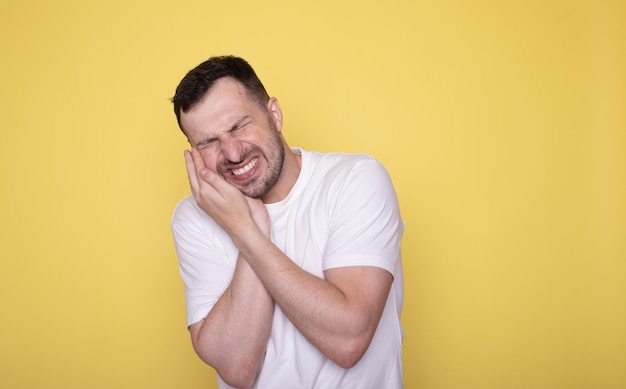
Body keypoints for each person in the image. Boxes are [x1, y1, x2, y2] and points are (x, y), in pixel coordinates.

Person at [170, 55, 405, 389]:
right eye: (208, 142)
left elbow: (349, 340)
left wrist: (245, 232)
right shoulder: (193, 217)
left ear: (274, 114)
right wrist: (251, 226)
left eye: (239, 126)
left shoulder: (355, 180)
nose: (233, 153)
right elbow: (237, 369)